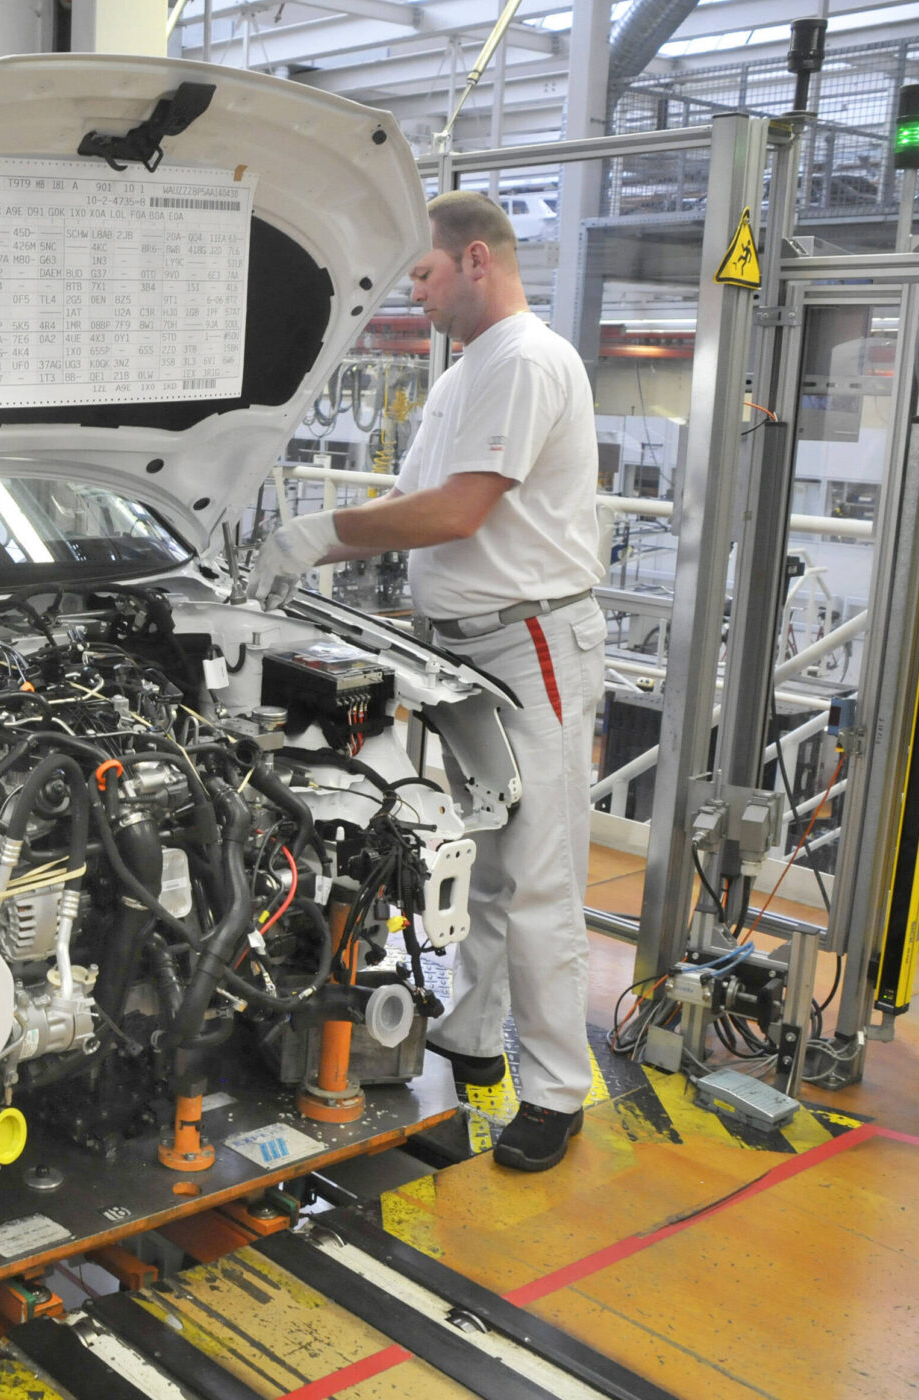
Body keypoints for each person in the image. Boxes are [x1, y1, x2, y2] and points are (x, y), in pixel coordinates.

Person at [251, 190, 605, 1173]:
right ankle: (472, 1034)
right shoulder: (464, 373)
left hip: (528, 638)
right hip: (465, 646)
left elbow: (455, 513)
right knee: (487, 856)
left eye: (425, 273)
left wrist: (317, 537)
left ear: (477, 260)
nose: (416, 292)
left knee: (538, 876)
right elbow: (411, 499)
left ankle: (556, 1092)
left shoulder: (526, 360)